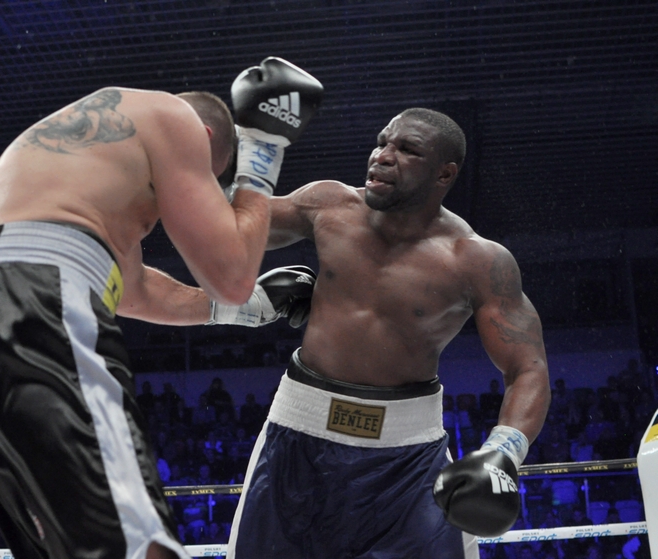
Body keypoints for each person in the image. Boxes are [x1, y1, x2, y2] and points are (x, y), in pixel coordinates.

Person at [0, 57, 323, 559]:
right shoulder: (174, 119)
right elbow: (230, 275)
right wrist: (264, 149)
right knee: (141, 548)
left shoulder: (84, 164)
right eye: (205, 177)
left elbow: (135, 292)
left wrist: (247, 310)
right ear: (202, 138)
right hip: (39, 303)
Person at [163, 108, 550, 558]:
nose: (383, 156)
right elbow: (224, 224)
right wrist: (238, 152)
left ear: (444, 174)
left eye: (407, 149)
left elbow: (528, 368)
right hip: (297, 433)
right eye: (382, 142)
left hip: (408, 455)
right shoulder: (329, 206)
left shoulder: (476, 260)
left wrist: (504, 452)